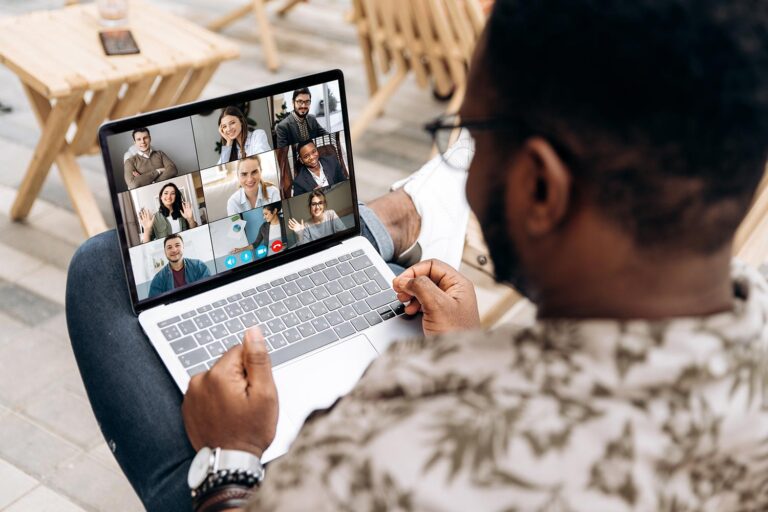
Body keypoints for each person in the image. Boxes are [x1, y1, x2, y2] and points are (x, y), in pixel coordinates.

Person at [65, 1, 768, 510]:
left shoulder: (380, 456)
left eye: (469, 134)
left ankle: (388, 219)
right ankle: (381, 224)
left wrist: (228, 460)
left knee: (102, 269)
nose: (472, 153)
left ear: (540, 187)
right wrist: (465, 351)